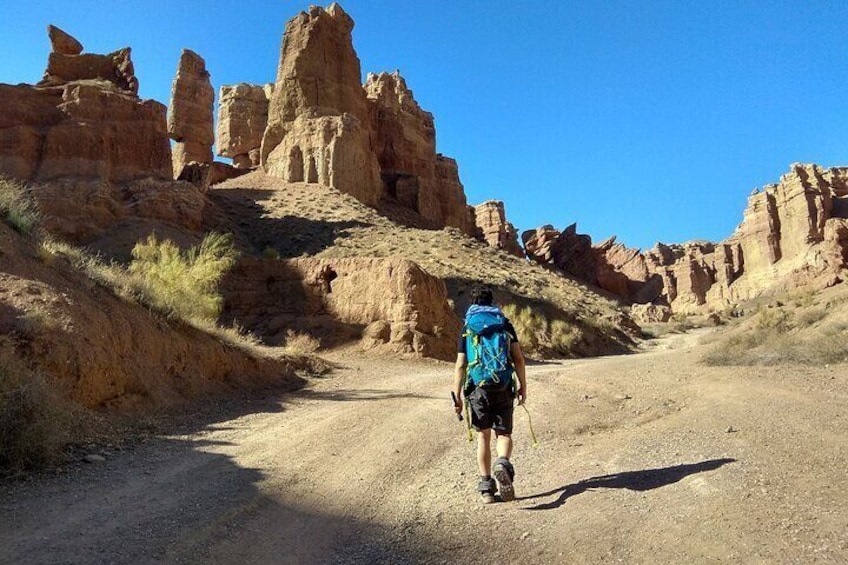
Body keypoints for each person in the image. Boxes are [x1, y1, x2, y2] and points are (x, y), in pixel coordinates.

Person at [453, 287, 527, 503]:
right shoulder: (504, 324)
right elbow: (518, 358)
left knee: (483, 436)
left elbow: (460, 365)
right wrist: (523, 386)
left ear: (472, 303)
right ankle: (502, 462)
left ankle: (486, 489)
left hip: (478, 388)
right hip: (503, 386)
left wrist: (457, 395)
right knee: (503, 434)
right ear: (491, 302)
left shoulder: (467, 328)